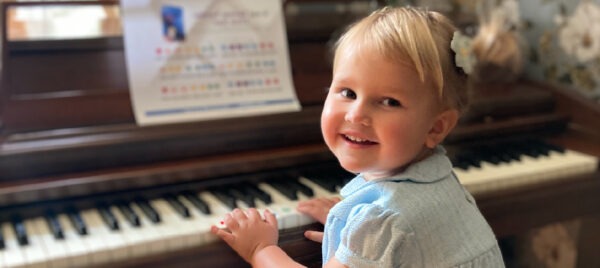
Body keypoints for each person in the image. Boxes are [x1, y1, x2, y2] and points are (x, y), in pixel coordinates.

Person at [211, 6, 506, 267]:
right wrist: (351, 226)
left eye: (389, 101)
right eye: (348, 93)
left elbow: (391, 225)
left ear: (436, 128)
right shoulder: (437, 181)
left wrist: (261, 249)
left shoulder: (381, 220)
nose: (355, 115)